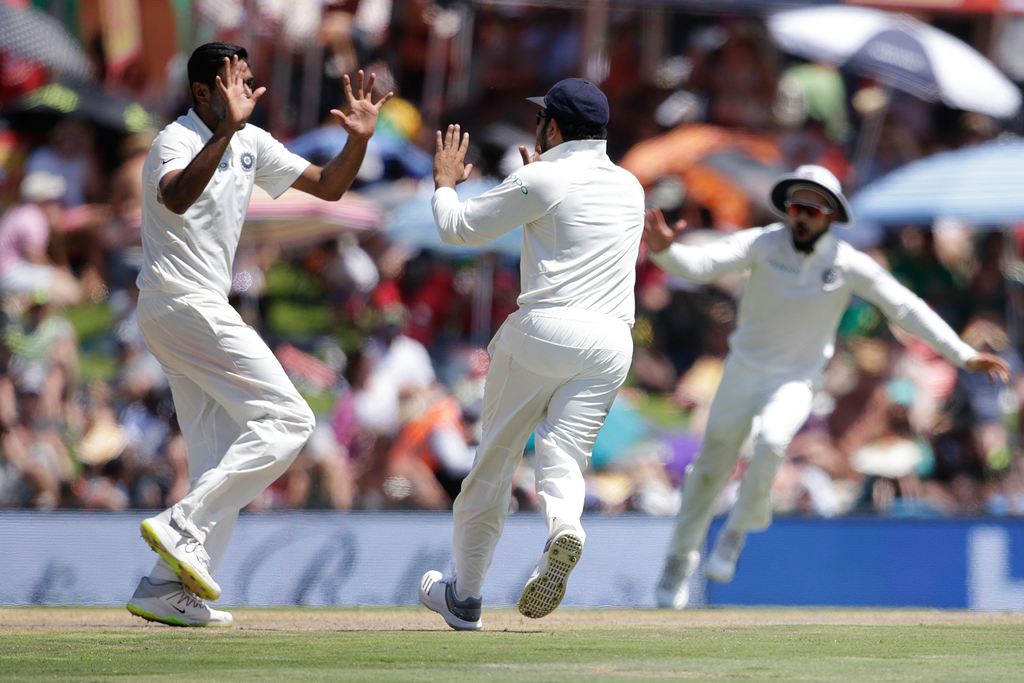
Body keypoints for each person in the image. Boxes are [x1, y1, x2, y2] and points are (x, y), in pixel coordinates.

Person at [645, 164, 1010, 609]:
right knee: (707, 472)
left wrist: (962, 355)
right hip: (743, 371)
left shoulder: (847, 263)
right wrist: (665, 253)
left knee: (773, 439)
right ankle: (678, 562)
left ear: (831, 217)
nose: (802, 218)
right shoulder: (763, 244)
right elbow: (701, 264)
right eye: (797, 207)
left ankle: (737, 532)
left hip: (796, 380)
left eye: (814, 210)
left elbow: (906, 308)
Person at [125, 42, 391, 627]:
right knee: (291, 420)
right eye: (232, 82)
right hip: (181, 302)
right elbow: (174, 197)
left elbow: (328, 187)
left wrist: (360, 139)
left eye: (248, 79)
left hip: (190, 309)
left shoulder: (251, 141)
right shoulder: (179, 137)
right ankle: (183, 523)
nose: (246, 91)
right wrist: (225, 133)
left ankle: (168, 589)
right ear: (202, 93)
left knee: (218, 458)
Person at [417, 78, 645, 630]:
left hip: (547, 329)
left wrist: (446, 184)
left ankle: (465, 597)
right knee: (563, 455)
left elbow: (456, 229)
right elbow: (563, 221)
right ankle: (565, 526)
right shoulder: (630, 185)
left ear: (555, 128)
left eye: (542, 118)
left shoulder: (541, 176)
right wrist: (531, 177)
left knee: (492, 465)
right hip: (613, 342)